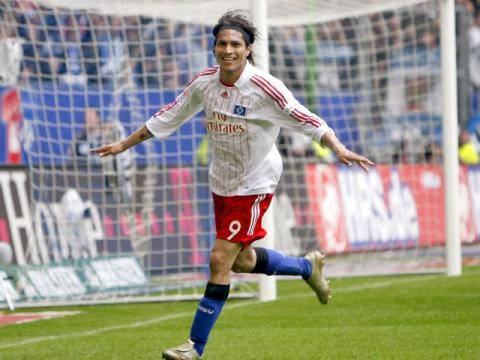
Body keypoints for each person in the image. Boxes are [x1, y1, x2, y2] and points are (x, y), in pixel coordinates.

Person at [91, 10, 374, 360]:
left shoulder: (264, 88)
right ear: (214, 48)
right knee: (240, 262)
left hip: (256, 180)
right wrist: (124, 144)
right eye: (222, 43)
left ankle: (195, 346)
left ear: (248, 48)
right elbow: (168, 116)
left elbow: (307, 118)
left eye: (235, 44)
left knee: (219, 259)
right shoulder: (204, 83)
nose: (228, 50)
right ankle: (305, 267)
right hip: (222, 180)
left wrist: (339, 147)